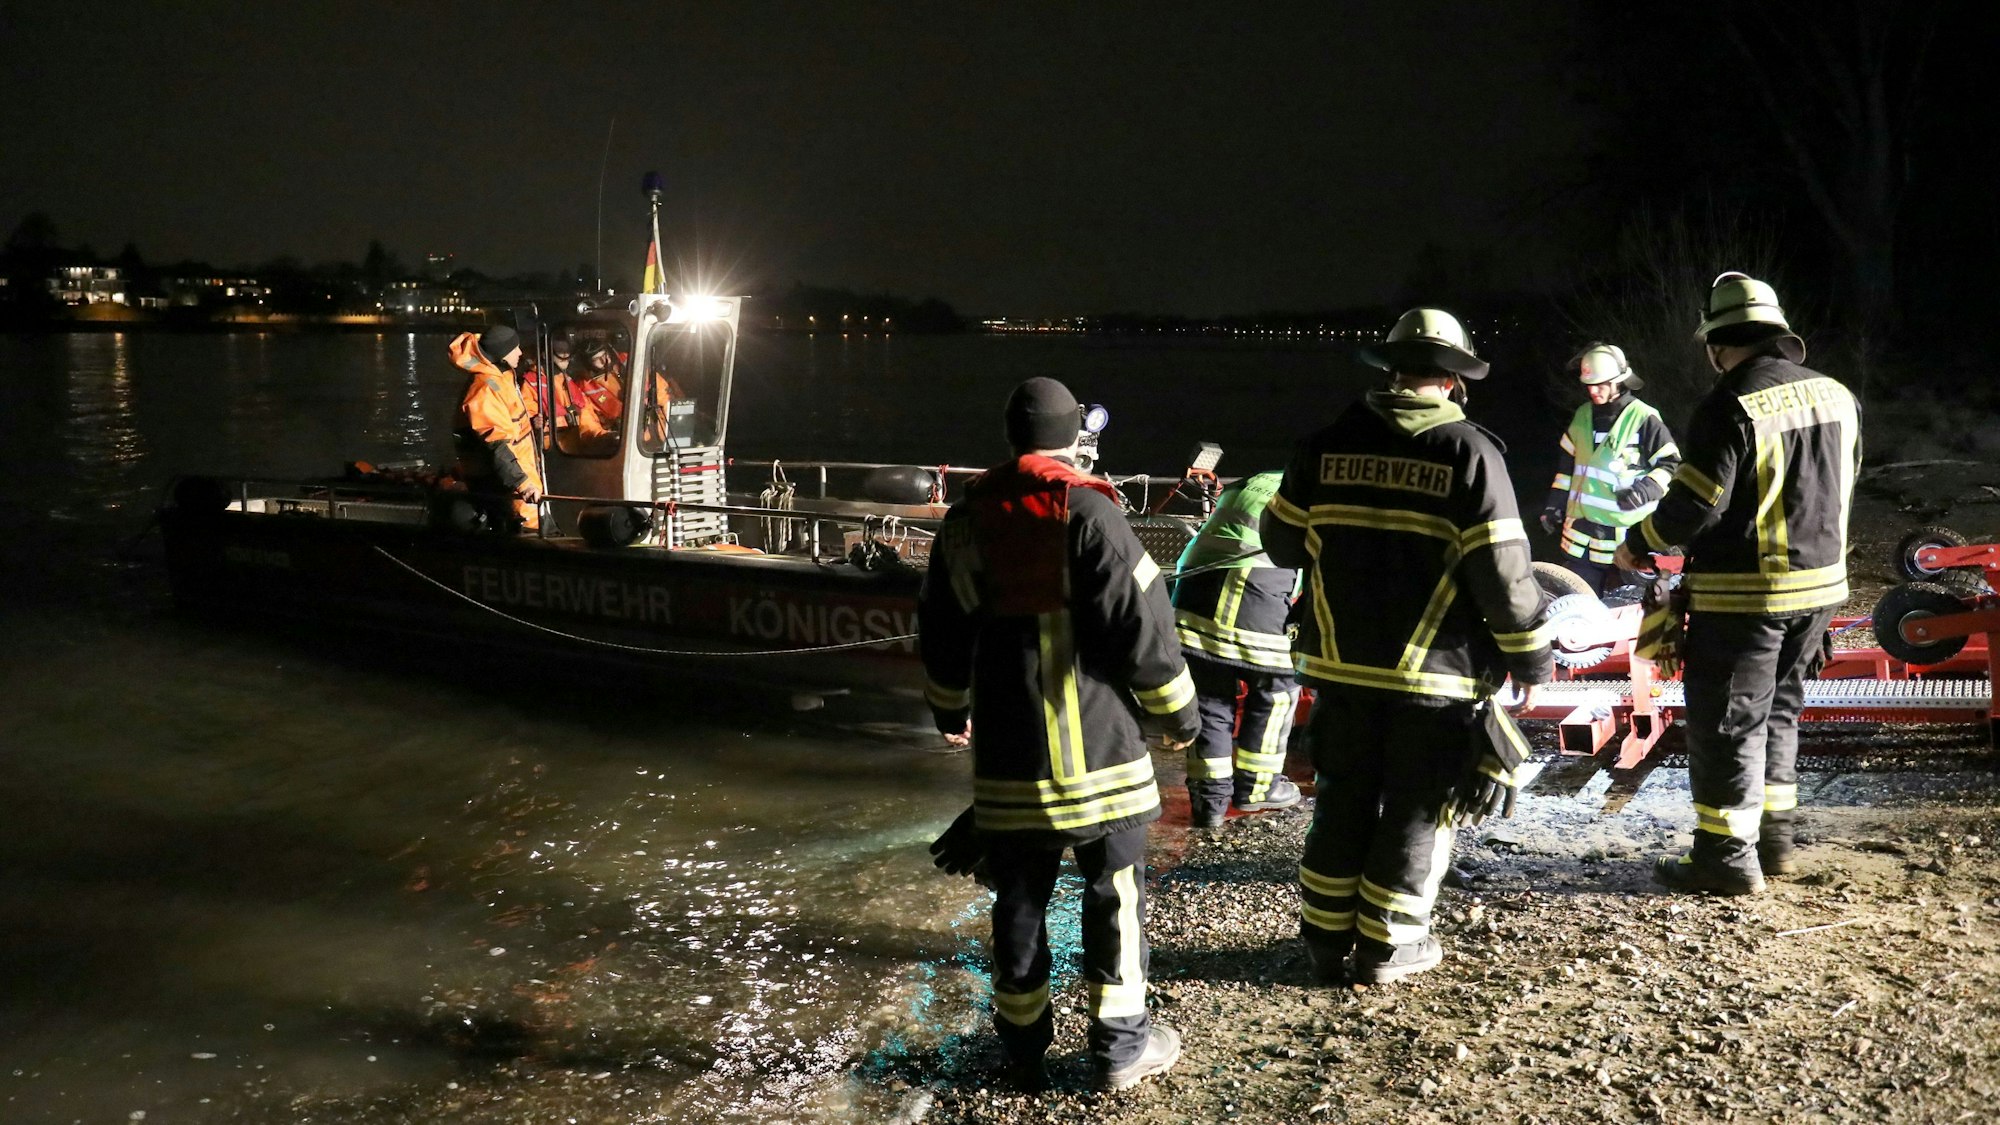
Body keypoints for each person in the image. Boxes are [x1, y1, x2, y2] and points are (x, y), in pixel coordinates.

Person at [918, 377, 1199, 1091]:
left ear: (1010, 438)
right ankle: (1119, 1046)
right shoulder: (1091, 516)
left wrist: (951, 712)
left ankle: (1020, 1045)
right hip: (1104, 759)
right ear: (1075, 438)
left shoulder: (963, 521)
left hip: (1010, 767)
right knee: (1115, 897)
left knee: (1016, 902)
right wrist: (1180, 718)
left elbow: (941, 635)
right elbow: (1148, 634)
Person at [1262, 308, 1553, 985]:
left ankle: (1326, 943)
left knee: (1343, 796)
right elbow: (1506, 579)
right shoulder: (1471, 453)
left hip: (1338, 667)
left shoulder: (1323, 444)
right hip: (1436, 676)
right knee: (1421, 802)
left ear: (1388, 370)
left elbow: (1279, 542)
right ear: (1454, 381)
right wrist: (1532, 657)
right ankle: (1390, 947)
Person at [1614, 273, 1860, 894]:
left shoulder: (1729, 403)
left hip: (1749, 597)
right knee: (1779, 711)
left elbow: (1695, 507)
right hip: (1822, 590)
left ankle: (1725, 860)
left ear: (1716, 345)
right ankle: (1775, 843)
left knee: (1728, 722)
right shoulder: (1838, 395)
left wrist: (1638, 542)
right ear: (1780, 337)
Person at [1170, 470, 1305, 827]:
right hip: (1253, 587)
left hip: (1194, 586)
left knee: (1210, 698)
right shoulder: (1312, 487)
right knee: (1276, 688)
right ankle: (1257, 790)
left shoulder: (1258, 479)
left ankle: (1209, 803)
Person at [1539, 343, 1681, 596]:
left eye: (1601, 384)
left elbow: (1669, 463)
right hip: (1581, 536)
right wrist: (1555, 504)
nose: (1593, 391)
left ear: (1620, 381)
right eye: (1589, 385)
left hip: (1626, 541)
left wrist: (1646, 490)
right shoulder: (1582, 416)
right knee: (1578, 608)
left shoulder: (1643, 418)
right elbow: (1567, 468)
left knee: (1633, 609)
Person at [449, 324, 542, 531]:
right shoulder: (484, 390)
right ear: (501, 353)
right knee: (522, 533)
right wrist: (522, 483)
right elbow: (496, 444)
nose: (520, 352)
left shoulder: (500, 379)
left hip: (518, 478)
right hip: (505, 487)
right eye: (514, 348)